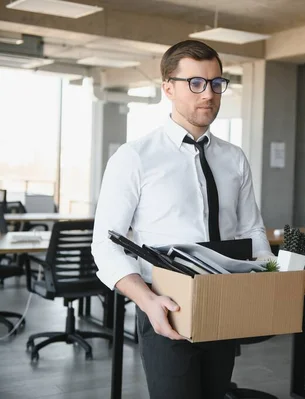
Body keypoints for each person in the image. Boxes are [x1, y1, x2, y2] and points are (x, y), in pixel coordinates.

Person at [91, 40, 274, 399]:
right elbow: (104, 244)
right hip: (165, 307)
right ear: (168, 88)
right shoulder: (134, 158)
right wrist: (146, 301)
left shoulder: (234, 158)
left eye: (216, 83)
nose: (208, 94)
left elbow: (251, 228)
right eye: (195, 83)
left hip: (223, 302)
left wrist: (269, 280)